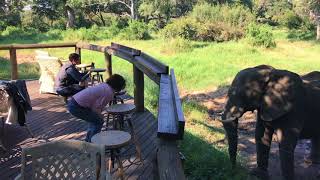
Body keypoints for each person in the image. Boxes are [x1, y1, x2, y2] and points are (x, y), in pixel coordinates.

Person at [67, 74, 126, 142]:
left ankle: (88, 142)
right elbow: (96, 107)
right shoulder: (109, 93)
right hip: (77, 107)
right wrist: (100, 115)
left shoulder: (104, 85)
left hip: (74, 102)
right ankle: (92, 144)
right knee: (98, 121)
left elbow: (96, 105)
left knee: (94, 121)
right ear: (118, 86)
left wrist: (98, 114)